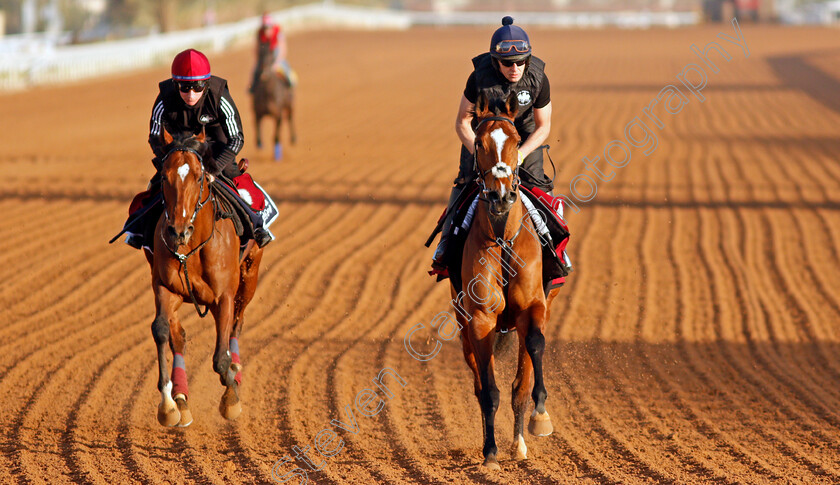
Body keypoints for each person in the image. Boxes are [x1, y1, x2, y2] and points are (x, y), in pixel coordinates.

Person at [431, 16, 555, 273]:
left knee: (538, 186)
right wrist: (479, 152)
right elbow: (462, 122)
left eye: (521, 62)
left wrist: (520, 155)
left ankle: (555, 247)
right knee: (466, 183)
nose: (515, 68)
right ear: (495, 61)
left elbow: (543, 126)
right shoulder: (478, 77)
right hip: (484, 138)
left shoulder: (538, 79)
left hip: (525, 137)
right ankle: (445, 246)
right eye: (508, 63)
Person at [123, 48, 274, 250]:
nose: (191, 94)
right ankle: (139, 229)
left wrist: (213, 170)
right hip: (178, 147)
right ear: (175, 84)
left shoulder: (220, 96)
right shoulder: (164, 99)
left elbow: (237, 138)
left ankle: (256, 225)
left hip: (215, 146)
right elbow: (154, 137)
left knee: (234, 180)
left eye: (198, 86)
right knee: (158, 185)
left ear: (207, 82)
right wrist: (170, 161)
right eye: (184, 88)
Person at [250, 13, 296, 91]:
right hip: (265, 55)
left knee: (285, 68)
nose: (266, 31)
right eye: (265, 28)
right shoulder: (259, 34)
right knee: (255, 70)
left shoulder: (278, 32)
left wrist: (277, 63)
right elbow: (257, 49)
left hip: (276, 54)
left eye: (268, 28)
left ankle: (291, 83)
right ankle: (253, 87)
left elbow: (283, 49)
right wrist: (259, 62)